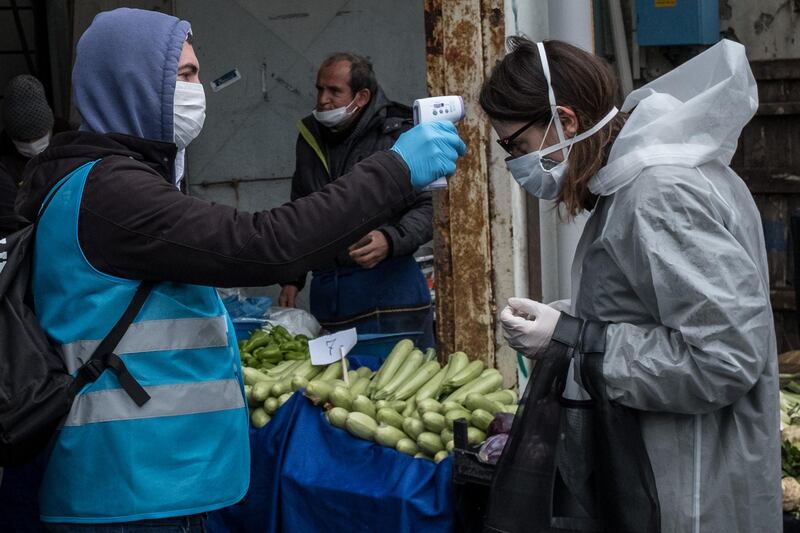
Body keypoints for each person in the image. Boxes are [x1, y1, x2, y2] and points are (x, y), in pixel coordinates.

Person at [14, 7, 464, 531]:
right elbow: (264, 244)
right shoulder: (112, 192)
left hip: (147, 479)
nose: (198, 88)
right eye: (183, 76)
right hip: (132, 488)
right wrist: (394, 169)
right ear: (133, 84)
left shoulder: (102, 182)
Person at [483, 37, 781, 532]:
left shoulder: (659, 194)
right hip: (659, 468)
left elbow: (724, 357)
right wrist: (571, 319)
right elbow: (659, 307)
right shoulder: (638, 181)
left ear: (566, 120)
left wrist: (577, 340)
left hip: (689, 486)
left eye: (514, 145)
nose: (514, 162)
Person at [279, 53, 434, 345]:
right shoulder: (310, 139)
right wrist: (292, 277)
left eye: (334, 91)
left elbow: (429, 207)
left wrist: (390, 240)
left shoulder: (398, 135)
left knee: (402, 382)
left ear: (361, 97)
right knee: (337, 385)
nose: (323, 99)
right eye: (319, 89)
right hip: (331, 294)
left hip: (391, 291)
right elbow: (298, 212)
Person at [0, 75, 71, 236]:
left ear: (50, 124)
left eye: (38, 136)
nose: (32, 145)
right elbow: (13, 220)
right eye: (23, 140)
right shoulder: (4, 162)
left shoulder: (73, 144)